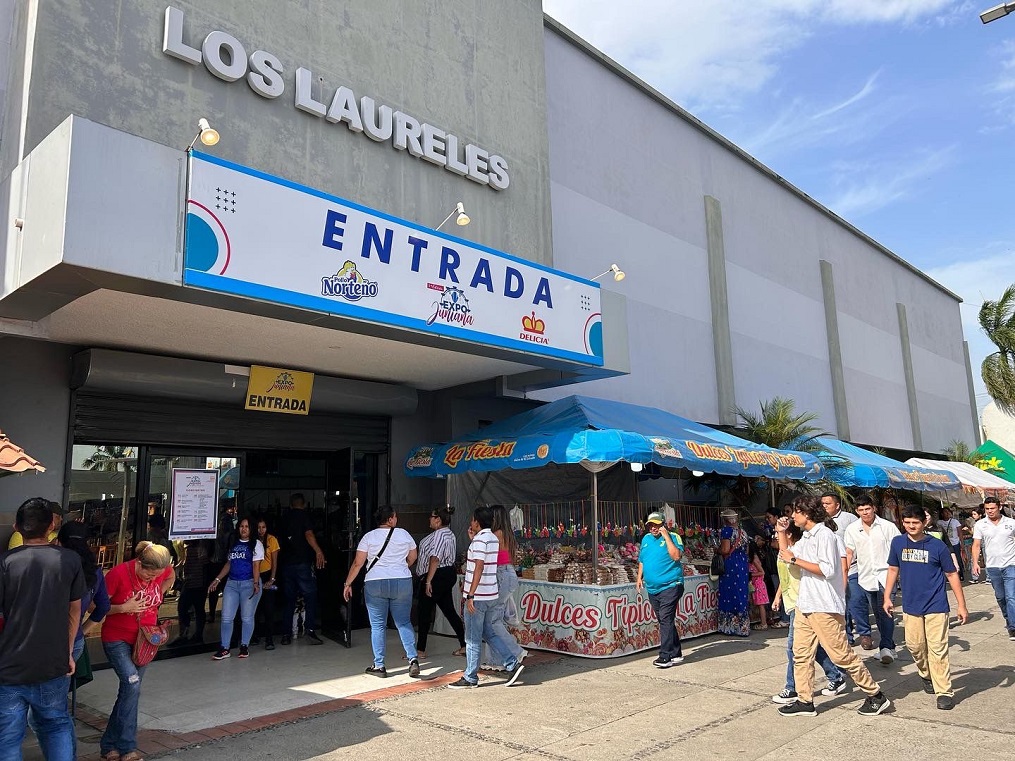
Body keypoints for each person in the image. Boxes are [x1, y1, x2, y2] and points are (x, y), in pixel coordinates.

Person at [776, 495, 891, 718]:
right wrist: (781, 532)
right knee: (800, 654)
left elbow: (827, 570)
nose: (792, 516)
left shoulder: (825, 536)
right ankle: (804, 699)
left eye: (796, 512)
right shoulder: (808, 536)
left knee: (841, 655)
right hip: (806, 604)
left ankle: (875, 694)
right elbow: (786, 554)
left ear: (806, 513)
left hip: (824, 605)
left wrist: (794, 560)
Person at [0, 498, 85, 761]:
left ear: (16, 527)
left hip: (10, 665)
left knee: (8, 736)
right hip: (53, 663)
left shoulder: (5, 563)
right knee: (55, 725)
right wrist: (68, 650)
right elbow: (75, 610)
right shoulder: (69, 560)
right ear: (51, 526)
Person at [884, 504, 968, 710]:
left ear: (924, 523)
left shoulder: (937, 546)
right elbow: (893, 570)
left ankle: (944, 691)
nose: (911, 526)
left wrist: (962, 605)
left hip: (936, 605)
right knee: (915, 646)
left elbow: (951, 575)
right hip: (911, 606)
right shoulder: (898, 543)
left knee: (938, 649)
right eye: (907, 523)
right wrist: (887, 597)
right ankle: (926, 674)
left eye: (915, 522)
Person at [101, 541, 175, 761]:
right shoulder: (118, 574)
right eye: (149, 576)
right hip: (117, 638)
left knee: (129, 692)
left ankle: (108, 745)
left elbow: (170, 575)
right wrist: (123, 608)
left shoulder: (162, 570)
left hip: (145, 640)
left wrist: (160, 592)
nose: (152, 580)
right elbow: (96, 606)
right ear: (140, 564)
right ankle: (127, 747)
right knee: (132, 685)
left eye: (156, 577)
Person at [447, 507, 526, 689]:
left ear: (477, 522)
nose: (471, 522)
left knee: (472, 638)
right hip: (490, 593)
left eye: (473, 520)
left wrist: (471, 595)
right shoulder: (492, 538)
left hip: (480, 594)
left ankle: (470, 677)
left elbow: (479, 566)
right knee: (488, 631)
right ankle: (512, 664)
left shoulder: (481, 540)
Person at [771, 516, 844, 704]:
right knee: (808, 648)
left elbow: (826, 570)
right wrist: (778, 596)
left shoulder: (805, 548)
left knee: (795, 649)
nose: (776, 538)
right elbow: (785, 574)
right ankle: (834, 676)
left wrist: (793, 558)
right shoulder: (790, 551)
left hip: (803, 602)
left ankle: (792, 687)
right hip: (794, 602)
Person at [342, 506, 418, 677]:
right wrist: (401, 568)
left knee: (378, 626)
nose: (396, 520)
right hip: (402, 582)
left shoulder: (368, 537)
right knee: (404, 622)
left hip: (375, 583)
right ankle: (413, 659)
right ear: (390, 519)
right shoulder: (404, 534)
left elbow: (358, 563)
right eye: (395, 517)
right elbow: (413, 556)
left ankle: (379, 665)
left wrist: (348, 583)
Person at [844, 495, 900, 665]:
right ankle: (889, 646)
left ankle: (885, 647)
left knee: (886, 611)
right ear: (856, 511)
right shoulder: (852, 529)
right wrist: (844, 574)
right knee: (877, 612)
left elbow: (898, 548)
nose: (864, 513)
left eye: (867, 509)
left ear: (873, 508)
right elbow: (848, 552)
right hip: (866, 576)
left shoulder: (887, 527)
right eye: (860, 510)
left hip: (886, 575)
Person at [208, 517, 264, 660]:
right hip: (232, 584)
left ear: (251, 529)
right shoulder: (233, 543)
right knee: (226, 617)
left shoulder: (256, 544)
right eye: (241, 526)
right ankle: (224, 648)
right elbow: (229, 563)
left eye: (246, 526)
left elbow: (256, 565)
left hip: (249, 583)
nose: (243, 529)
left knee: (246, 617)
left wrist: (256, 583)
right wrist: (217, 579)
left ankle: (244, 646)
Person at [636, 511, 686, 668]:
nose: (653, 528)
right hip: (653, 588)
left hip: (671, 584)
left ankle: (665, 656)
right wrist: (639, 578)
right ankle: (676, 652)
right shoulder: (646, 539)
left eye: (656, 525)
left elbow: (676, 556)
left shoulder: (674, 537)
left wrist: (666, 536)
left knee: (665, 618)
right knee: (665, 620)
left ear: (663, 524)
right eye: (650, 525)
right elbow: (642, 560)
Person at [415, 506, 466, 659]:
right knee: (449, 610)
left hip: (437, 574)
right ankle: (464, 644)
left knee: (424, 610)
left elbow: (435, 558)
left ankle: (420, 650)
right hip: (446, 573)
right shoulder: (449, 534)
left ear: (438, 519)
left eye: (431, 517)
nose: (429, 519)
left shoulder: (439, 534)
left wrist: (428, 580)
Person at [481, 505, 527, 672]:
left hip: (501, 575)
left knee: (492, 621)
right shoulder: (507, 534)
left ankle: (516, 651)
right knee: (495, 619)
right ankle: (495, 660)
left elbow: (485, 554)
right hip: (507, 573)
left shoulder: (495, 535)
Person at [56, 521, 110, 661]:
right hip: (76, 640)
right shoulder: (95, 571)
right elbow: (103, 607)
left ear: (58, 542)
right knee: (64, 680)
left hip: (48, 640)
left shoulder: (52, 568)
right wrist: (81, 631)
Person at [279, 493, 325, 646]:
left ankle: (286, 634)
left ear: (291, 504)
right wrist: (318, 551)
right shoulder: (305, 516)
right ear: (304, 504)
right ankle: (310, 630)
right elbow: (309, 534)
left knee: (289, 599)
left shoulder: (284, 517)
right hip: (302, 563)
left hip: (286, 564)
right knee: (310, 596)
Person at [971, 496, 1015, 640]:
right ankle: (1009, 619)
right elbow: (976, 545)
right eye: (987, 509)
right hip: (992, 566)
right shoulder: (980, 524)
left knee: (1011, 597)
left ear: (999, 507)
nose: (989, 511)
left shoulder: (1011, 523)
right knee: (1001, 597)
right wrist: (975, 563)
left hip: (1010, 564)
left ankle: (1013, 627)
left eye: (992, 508)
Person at [821, 493, 859, 646]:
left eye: (827, 503)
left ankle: (850, 636)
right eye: (822, 503)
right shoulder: (819, 521)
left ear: (837, 505)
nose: (824, 506)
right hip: (827, 570)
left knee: (848, 603)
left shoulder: (849, 519)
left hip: (850, 568)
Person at [716, 508, 751, 636]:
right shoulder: (743, 532)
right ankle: (743, 627)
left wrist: (717, 551)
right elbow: (747, 551)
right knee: (741, 593)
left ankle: (729, 626)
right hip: (742, 563)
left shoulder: (727, 531)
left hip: (731, 565)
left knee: (729, 593)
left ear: (725, 520)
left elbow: (725, 550)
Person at [172, 539, 211, 646]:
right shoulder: (194, 549)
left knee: (184, 608)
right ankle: (195, 635)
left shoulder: (196, 550)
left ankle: (186, 634)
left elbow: (202, 566)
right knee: (197, 610)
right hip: (195, 583)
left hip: (193, 584)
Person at [252, 518, 280, 650]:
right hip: (255, 576)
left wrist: (272, 579)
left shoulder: (272, 540)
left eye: (263, 527)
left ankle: (269, 639)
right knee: (255, 609)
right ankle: (254, 636)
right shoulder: (252, 540)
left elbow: (275, 561)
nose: (261, 530)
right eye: (258, 527)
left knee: (269, 609)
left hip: (268, 575)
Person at [207, 502, 237, 624]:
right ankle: (224, 613)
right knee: (225, 590)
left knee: (216, 590)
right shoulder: (229, 533)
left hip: (217, 562)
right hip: (223, 561)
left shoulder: (216, 531)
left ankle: (213, 614)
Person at [937, 506, 964, 583]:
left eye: (948, 512)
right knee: (946, 559)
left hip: (955, 543)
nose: (947, 513)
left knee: (958, 559)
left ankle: (960, 574)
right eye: (945, 512)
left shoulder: (955, 522)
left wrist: (962, 543)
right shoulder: (939, 522)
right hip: (945, 544)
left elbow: (960, 533)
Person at [748, 540, 771, 630]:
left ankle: (763, 623)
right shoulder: (753, 558)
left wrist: (750, 575)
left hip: (758, 583)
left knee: (761, 604)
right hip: (756, 583)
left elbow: (762, 572)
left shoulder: (754, 559)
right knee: (759, 604)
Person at [962, 507, 983, 583]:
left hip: (979, 541)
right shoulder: (977, 523)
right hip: (978, 541)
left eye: (975, 514)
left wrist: (968, 530)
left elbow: (974, 534)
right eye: (972, 514)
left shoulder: (978, 523)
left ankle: (976, 577)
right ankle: (976, 577)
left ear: (980, 515)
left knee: (975, 559)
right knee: (976, 559)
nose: (973, 516)